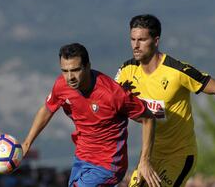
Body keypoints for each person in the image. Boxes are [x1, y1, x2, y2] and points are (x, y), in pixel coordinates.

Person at [114, 14, 215, 187]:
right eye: (132, 39)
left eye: (142, 39)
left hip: (180, 155)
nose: (136, 45)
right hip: (149, 154)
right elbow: (109, 101)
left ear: (156, 41)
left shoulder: (177, 71)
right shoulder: (127, 70)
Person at [22, 43, 161, 187]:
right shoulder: (61, 85)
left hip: (109, 164)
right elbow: (47, 109)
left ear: (87, 66)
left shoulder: (112, 93)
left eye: (75, 70)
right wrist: (27, 143)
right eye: (65, 71)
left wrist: (145, 161)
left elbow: (148, 118)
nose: (70, 77)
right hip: (81, 158)